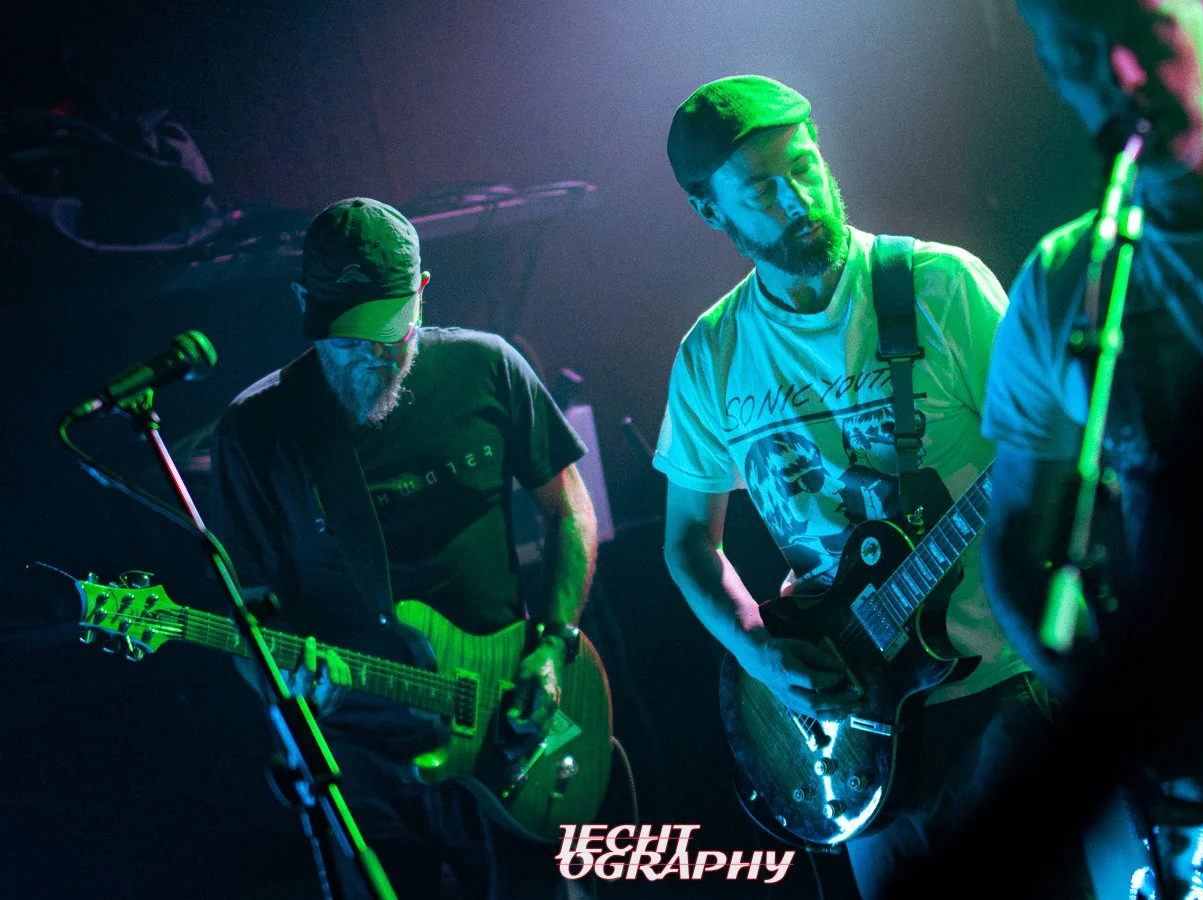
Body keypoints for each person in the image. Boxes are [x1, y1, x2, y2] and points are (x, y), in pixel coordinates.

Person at [653, 74, 1086, 898]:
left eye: (805, 167)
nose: (799, 198)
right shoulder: (711, 355)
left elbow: (1048, 453)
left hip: (998, 695)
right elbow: (686, 542)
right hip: (851, 732)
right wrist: (757, 650)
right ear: (710, 212)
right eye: (762, 190)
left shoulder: (940, 286)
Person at [977, 0, 1203, 895]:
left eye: (1147, 35)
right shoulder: (1062, 286)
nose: (1124, 78)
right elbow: (1020, 545)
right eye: (1079, 56)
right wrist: (1147, 725)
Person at [208, 197, 600, 899]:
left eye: (388, 334)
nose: (370, 356)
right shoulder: (256, 431)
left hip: (505, 718)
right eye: (345, 340)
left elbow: (568, 508)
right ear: (304, 304)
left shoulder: (487, 366)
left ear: (421, 291)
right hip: (359, 750)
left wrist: (554, 641)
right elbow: (253, 613)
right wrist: (286, 677)